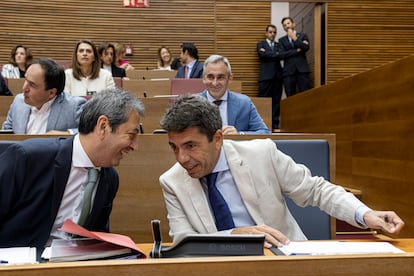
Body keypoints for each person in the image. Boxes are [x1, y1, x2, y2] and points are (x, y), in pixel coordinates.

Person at [159, 94, 405, 246]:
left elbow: (316, 190)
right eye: (174, 147)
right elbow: (183, 241)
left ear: (218, 138)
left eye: (191, 146)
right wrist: (235, 235)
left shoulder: (261, 153)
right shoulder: (172, 181)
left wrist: (365, 214)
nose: (182, 158)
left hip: (285, 260)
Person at [0, 88, 145, 250]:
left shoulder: (110, 179)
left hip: (72, 267)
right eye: (131, 135)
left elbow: (96, 236)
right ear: (103, 126)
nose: (135, 146)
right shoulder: (29, 157)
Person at [2, 58, 86, 134]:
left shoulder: (74, 107)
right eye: (26, 80)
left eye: (32, 85)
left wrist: (67, 134)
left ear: (51, 93)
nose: (24, 88)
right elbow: (6, 133)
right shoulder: (18, 102)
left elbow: (92, 134)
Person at [199, 54, 270, 134]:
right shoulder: (193, 104)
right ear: (204, 78)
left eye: (220, 77)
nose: (215, 83)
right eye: (210, 77)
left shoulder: (244, 103)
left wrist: (239, 135)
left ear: (230, 78)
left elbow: (265, 133)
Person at [257, 24, 283, 129]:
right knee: (263, 101)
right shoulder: (260, 44)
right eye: (270, 32)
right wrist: (275, 54)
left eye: (274, 32)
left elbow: (281, 55)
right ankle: (261, 125)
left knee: (276, 101)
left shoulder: (279, 45)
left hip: (278, 77)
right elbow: (262, 54)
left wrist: (269, 53)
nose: (272, 34)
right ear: (266, 33)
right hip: (265, 77)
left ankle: (275, 126)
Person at [278, 17, 311, 97]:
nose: (287, 26)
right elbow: (282, 55)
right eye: (284, 25)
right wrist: (296, 51)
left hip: (302, 70)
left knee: (306, 95)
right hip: (289, 72)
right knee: (290, 97)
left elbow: (306, 48)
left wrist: (295, 38)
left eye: (288, 23)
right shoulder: (281, 40)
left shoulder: (303, 36)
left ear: (293, 24)